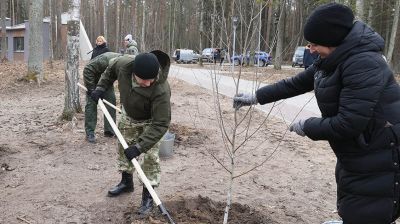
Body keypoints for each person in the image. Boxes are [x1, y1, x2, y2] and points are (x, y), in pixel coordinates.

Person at [233, 3, 400, 224]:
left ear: (333, 41)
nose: (310, 49)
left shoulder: (363, 63)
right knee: (355, 197)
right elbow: (296, 83)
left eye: (314, 44)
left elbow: (348, 124)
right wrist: (257, 96)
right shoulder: (332, 60)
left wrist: (307, 125)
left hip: (378, 150)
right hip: (358, 150)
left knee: (369, 204)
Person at [89, 50, 171, 215]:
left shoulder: (161, 89)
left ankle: (148, 197)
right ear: (134, 74)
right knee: (124, 149)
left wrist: (140, 146)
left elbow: (161, 124)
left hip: (151, 121)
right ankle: (126, 182)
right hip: (129, 114)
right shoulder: (124, 64)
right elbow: (109, 71)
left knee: (150, 158)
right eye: (144, 80)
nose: (148, 84)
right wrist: (100, 88)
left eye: (151, 80)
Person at [83, 52, 121, 143]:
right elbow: (87, 69)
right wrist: (91, 89)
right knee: (91, 105)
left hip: (106, 82)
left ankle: (109, 130)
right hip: (93, 80)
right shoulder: (104, 61)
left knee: (111, 101)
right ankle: (90, 133)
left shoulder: (125, 67)